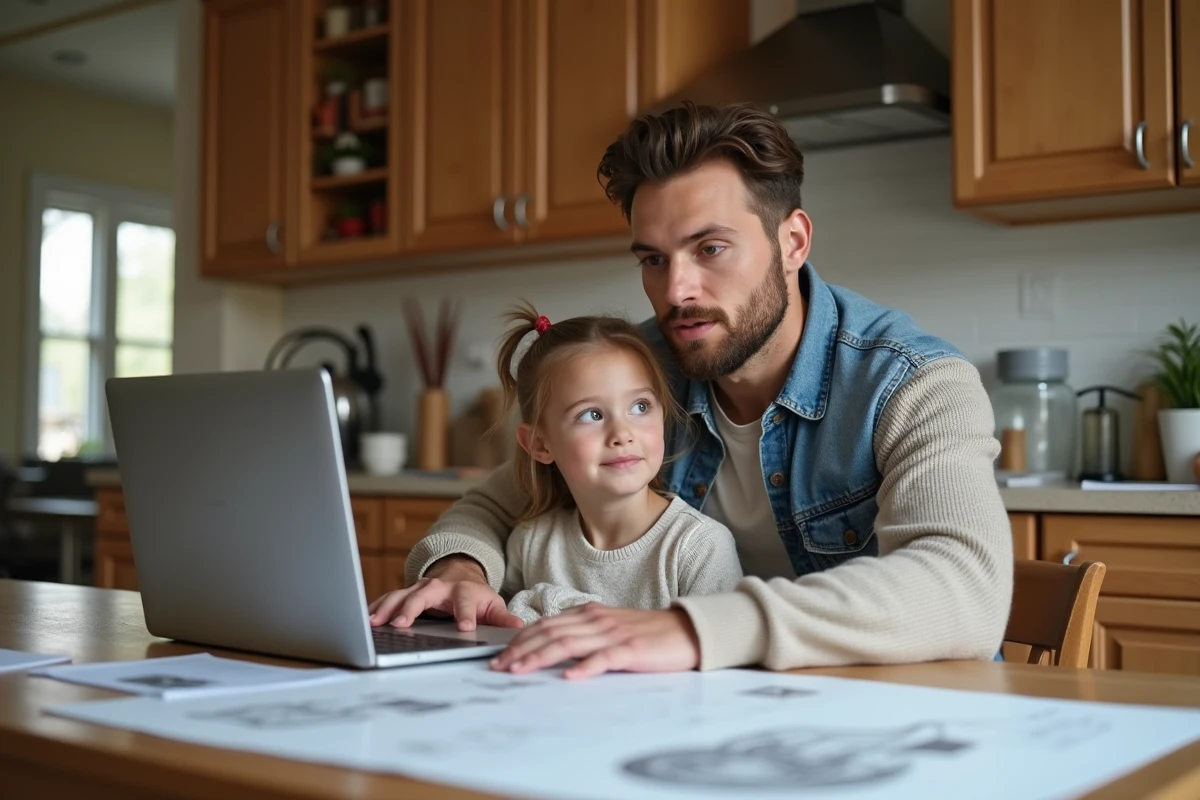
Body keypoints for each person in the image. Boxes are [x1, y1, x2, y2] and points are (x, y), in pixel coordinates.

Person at [374, 101, 1013, 680]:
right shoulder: (642, 370)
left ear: (791, 242)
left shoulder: (915, 384)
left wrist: (694, 629)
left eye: (710, 248)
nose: (677, 291)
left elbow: (964, 589)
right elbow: (494, 505)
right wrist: (458, 569)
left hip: (903, 712)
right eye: (653, 259)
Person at [368, 304, 742, 629]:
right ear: (539, 445)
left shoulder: (701, 549)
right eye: (592, 414)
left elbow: (722, 667)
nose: (622, 433)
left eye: (640, 407)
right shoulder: (531, 543)